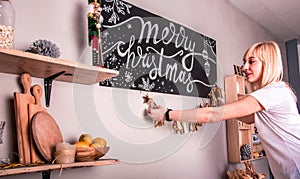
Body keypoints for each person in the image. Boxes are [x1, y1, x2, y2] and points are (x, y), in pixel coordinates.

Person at [147, 41, 300, 178]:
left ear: (268, 64)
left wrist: (167, 114)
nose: (244, 67)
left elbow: (213, 115)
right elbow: (246, 117)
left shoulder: (274, 92)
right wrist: (222, 107)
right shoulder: (273, 94)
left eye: (251, 62)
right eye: (244, 62)